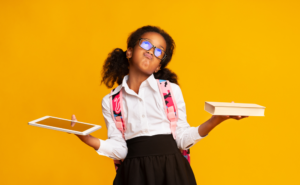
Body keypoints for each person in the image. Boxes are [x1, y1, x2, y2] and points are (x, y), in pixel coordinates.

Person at [69, 25, 249, 185]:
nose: (151, 51)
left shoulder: (170, 91)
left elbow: (182, 139)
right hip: (134, 174)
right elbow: (120, 149)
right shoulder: (111, 101)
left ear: (158, 66)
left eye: (158, 51)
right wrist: (87, 139)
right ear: (130, 52)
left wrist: (215, 120)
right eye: (146, 44)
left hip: (172, 170)